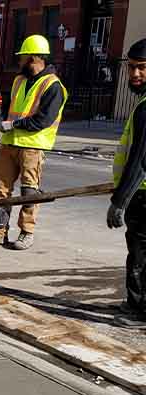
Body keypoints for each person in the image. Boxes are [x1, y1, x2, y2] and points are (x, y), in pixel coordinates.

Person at [0, 34, 67, 251]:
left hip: (33, 146)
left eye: (23, 57)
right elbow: (8, 109)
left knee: (29, 191)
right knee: (2, 190)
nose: (19, 61)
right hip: (10, 144)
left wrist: (13, 125)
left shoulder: (53, 86)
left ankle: (27, 232)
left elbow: (43, 120)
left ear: (34, 58)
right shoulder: (19, 80)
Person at [106, 39, 146, 328]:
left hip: (143, 197)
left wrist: (120, 202)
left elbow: (140, 161)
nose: (135, 74)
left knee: (141, 254)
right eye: (131, 68)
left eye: (142, 68)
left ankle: (139, 309)